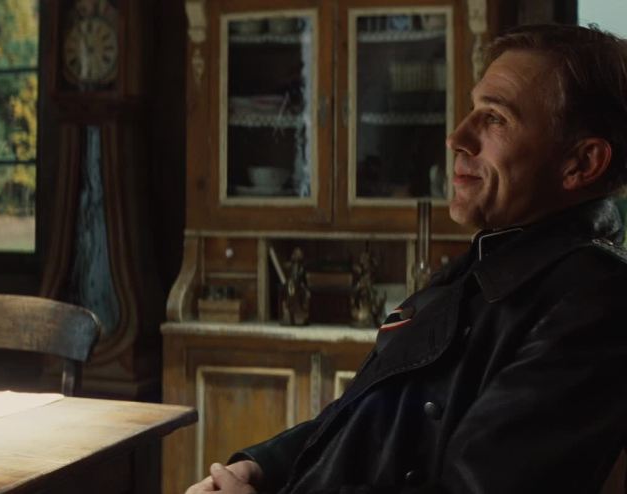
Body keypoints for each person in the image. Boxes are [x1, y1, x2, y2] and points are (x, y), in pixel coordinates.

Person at [186, 23, 627, 493]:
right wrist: (261, 467)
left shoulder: (594, 302)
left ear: (582, 163)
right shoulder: (482, 266)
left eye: (495, 118)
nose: (457, 136)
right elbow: (363, 414)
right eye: (473, 110)